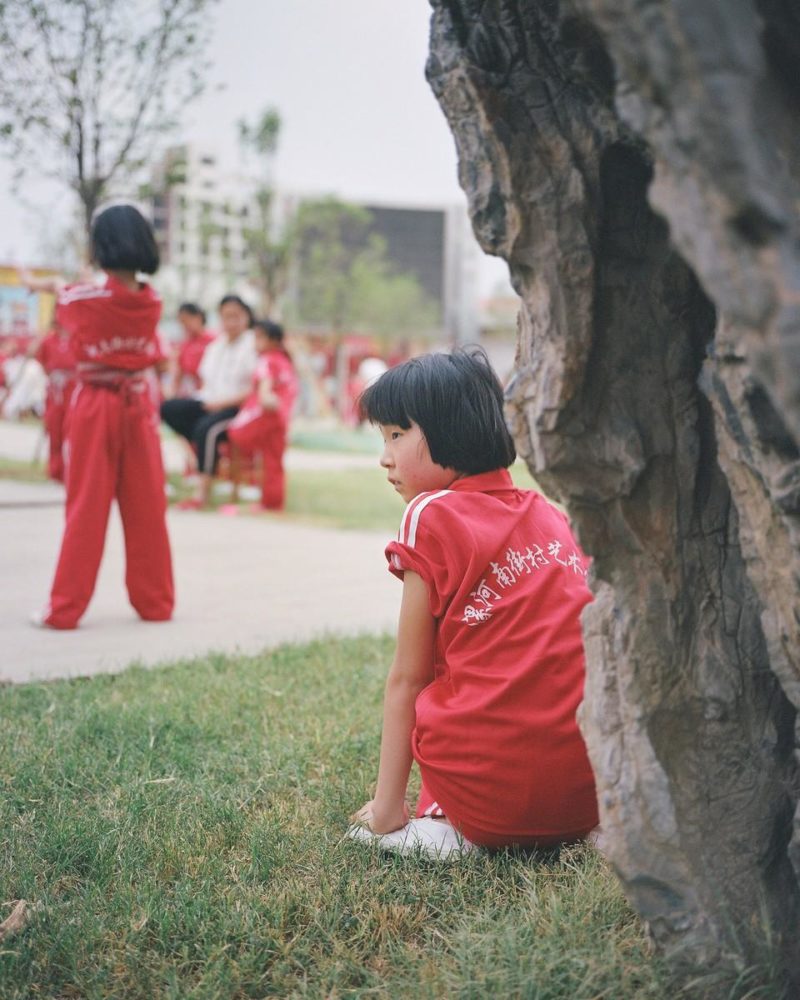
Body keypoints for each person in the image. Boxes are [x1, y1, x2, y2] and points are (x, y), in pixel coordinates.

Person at [349, 348, 598, 855]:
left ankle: (446, 824)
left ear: (450, 429)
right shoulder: (549, 515)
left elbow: (409, 677)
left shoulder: (431, 513)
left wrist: (386, 810)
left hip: (492, 809)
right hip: (589, 798)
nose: (385, 457)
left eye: (397, 434)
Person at [26, 204, 174, 630]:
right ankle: (156, 602)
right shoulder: (153, 300)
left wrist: (43, 282)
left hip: (95, 405)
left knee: (86, 507)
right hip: (138, 405)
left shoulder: (84, 298)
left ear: (100, 245)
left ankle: (65, 609)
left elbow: (64, 292)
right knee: (147, 505)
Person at [160, 294, 257, 509]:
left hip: (237, 407)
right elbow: (205, 380)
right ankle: (202, 451)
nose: (230, 322)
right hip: (209, 400)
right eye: (226, 317)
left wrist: (222, 403)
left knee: (207, 429)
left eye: (236, 317)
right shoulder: (217, 345)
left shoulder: (253, 344)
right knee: (169, 408)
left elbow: (254, 388)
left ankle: (201, 494)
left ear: (246, 317)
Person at [225, 320, 298, 511]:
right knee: (273, 460)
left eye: (259, 337)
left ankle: (246, 483)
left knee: (235, 435)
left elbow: (265, 384)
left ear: (272, 341)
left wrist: (265, 396)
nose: (255, 342)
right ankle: (272, 502)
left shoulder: (267, 359)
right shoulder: (284, 361)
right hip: (280, 417)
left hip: (268, 414)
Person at [32, 320, 77, 481]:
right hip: (55, 389)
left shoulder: (77, 338)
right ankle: (55, 470)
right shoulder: (49, 340)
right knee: (54, 428)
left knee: (73, 429)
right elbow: (40, 359)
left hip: (74, 386)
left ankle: (71, 470)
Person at [168, 302, 214, 399]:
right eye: (182, 322)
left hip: (212, 392)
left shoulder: (214, 340)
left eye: (187, 320)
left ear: (198, 317)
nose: (185, 326)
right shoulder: (184, 345)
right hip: (194, 393)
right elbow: (178, 376)